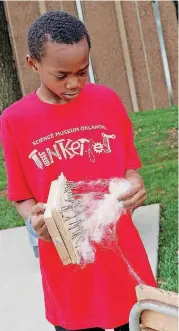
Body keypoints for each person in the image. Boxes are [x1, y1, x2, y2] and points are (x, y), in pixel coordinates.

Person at [0, 11, 157, 331]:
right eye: (61, 75)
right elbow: (21, 196)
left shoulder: (107, 101)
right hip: (68, 266)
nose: (74, 83)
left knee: (140, 322)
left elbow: (129, 166)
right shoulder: (15, 121)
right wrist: (35, 220)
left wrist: (134, 181)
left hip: (123, 258)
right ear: (33, 64)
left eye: (82, 72)